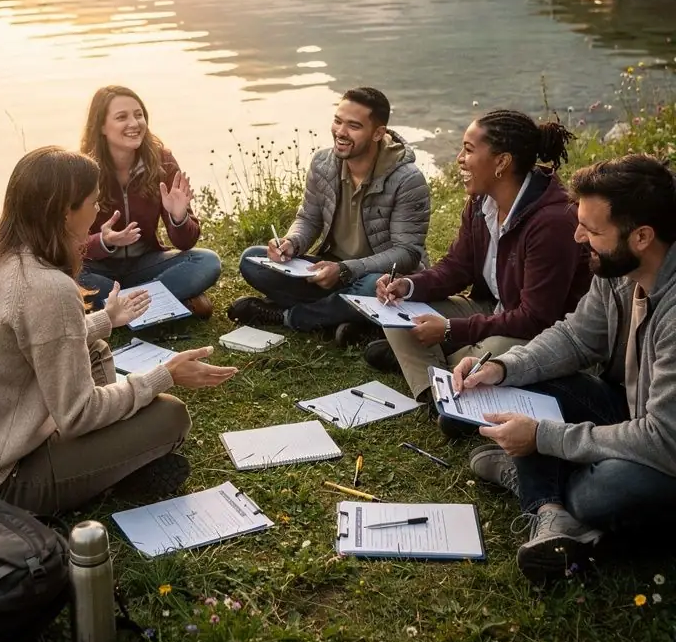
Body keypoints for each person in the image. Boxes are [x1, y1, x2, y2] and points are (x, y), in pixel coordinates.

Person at [0, 147, 237, 514]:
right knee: (170, 416)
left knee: (96, 348)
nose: (98, 212)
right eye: (94, 202)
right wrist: (166, 375)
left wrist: (105, 321)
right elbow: (78, 415)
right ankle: (117, 473)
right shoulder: (45, 287)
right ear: (66, 212)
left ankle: (112, 464)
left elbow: (34, 337)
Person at [454, 154, 676, 582]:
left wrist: (543, 437)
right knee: (537, 384)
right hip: (629, 411)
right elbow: (575, 338)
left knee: (604, 492)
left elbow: (662, 440)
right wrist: (502, 368)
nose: (577, 237)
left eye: (592, 230)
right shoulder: (617, 271)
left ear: (643, 236)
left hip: (664, 447)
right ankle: (553, 510)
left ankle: (540, 483)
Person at [365, 109, 591, 399]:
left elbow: (535, 318)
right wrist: (409, 286)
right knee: (395, 310)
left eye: (469, 150)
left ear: (502, 162)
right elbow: (457, 267)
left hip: (535, 331)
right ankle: (438, 391)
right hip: (492, 309)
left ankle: (431, 366)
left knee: (497, 352)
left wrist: (449, 330)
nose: (460, 158)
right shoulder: (481, 201)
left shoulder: (552, 222)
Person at [227, 88, 430, 340]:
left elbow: (407, 254)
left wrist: (345, 269)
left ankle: (289, 316)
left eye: (354, 126)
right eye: (337, 121)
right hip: (327, 272)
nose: (341, 132)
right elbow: (308, 218)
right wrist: (292, 242)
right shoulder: (323, 163)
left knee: (370, 288)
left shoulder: (408, 179)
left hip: (378, 279)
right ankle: (349, 318)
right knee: (252, 260)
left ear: (378, 133)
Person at [79, 85, 221, 319]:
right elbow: (68, 244)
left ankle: (121, 309)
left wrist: (178, 217)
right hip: (97, 269)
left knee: (206, 261)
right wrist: (103, 241)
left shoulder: (161, 161)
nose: (134, 123)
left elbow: (186, 243)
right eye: (121, 117)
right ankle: (159, 302)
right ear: (102, 126)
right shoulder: (81, 169)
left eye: (139, 115)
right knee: (64, 275)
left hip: (145, 265)